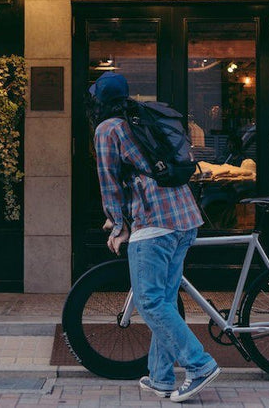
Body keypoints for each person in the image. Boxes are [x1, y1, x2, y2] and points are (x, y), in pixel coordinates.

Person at [89, 72, 220, 403]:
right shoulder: (139, 118)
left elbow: (108, 182)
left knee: (149, 301)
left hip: (153, 220)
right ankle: (162, 377)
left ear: (99, 101)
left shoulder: (107, 128)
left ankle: (199, 365)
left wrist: (117, 224)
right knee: (163, 300)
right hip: (184, 216)